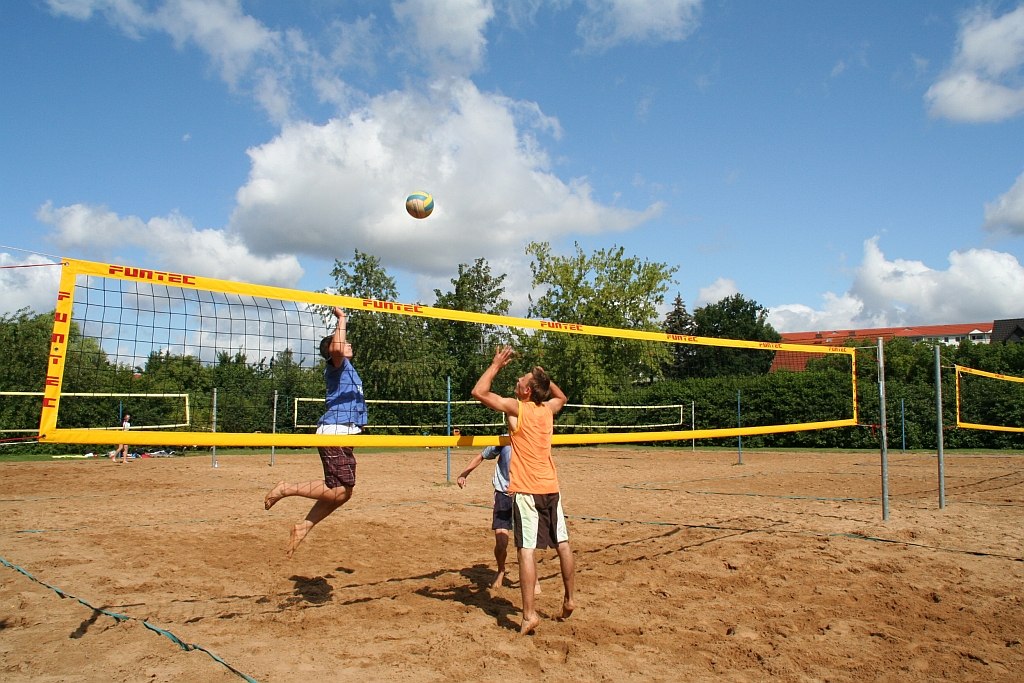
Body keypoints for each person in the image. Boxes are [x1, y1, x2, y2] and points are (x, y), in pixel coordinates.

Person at [471, 345, 575, 635]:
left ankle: (529, 615)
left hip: (527, 491)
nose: (518, 380)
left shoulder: (518, 409)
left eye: (523, 379)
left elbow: (479, 392)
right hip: (551, 488)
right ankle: (570, 599)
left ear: (528, 391)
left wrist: (495, 365)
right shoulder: (548, 409)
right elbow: (561, 397)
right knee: (562, 544)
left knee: (525, 550)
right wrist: (544, 377)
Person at [264, 306, 368, 558]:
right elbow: (335, 348)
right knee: (340, 490)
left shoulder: (347, 369)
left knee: (343, 492)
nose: (349, 344)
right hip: (334, 432)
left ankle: (304, 526)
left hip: (344, 434)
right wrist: (342, 318)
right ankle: (286, 488)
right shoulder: (337, 366)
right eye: (345, 342)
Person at [456, 440, 540, 596]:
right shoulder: (503, 440)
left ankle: (534, 579)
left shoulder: (530, 438)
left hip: (524, 495)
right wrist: (464, 474)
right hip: (503, 495)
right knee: (501, 542)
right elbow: (481, 456)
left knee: (526, 544)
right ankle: (501, 569)